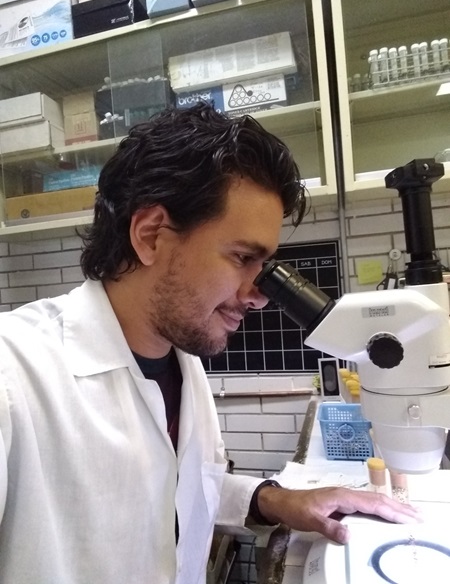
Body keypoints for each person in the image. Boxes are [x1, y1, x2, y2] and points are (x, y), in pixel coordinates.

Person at [0, 102, 419, 583]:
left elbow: (177, 489)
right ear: (151, 235)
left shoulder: (183, 361)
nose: (259, 295)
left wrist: (275, 500)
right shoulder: (14, 377)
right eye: (242, 258)